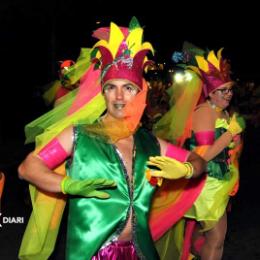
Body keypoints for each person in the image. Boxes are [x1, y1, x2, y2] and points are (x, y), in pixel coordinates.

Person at [18, 19, 206, 260]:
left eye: (128, 88)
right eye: (111, 87)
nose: (119, 96)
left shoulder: (150, 142)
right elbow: (27, 168)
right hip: (94, 253)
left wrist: (188, 169)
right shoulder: (78, 135)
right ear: (102, 92)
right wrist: (66, 185)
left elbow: (198, 161)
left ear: (140, 92)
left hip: (140, 252)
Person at [152, 42, 245, 260]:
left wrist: (234, 143)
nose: (228, 94)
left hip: (219, 180)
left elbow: (227, 147)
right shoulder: (205, 112)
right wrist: (229, 134)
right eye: (222, 90)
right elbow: (202, 155)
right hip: (208, 183)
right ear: (210, 93)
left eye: (230, 89)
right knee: (217, 237)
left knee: (202, 236)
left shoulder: (221, 112)